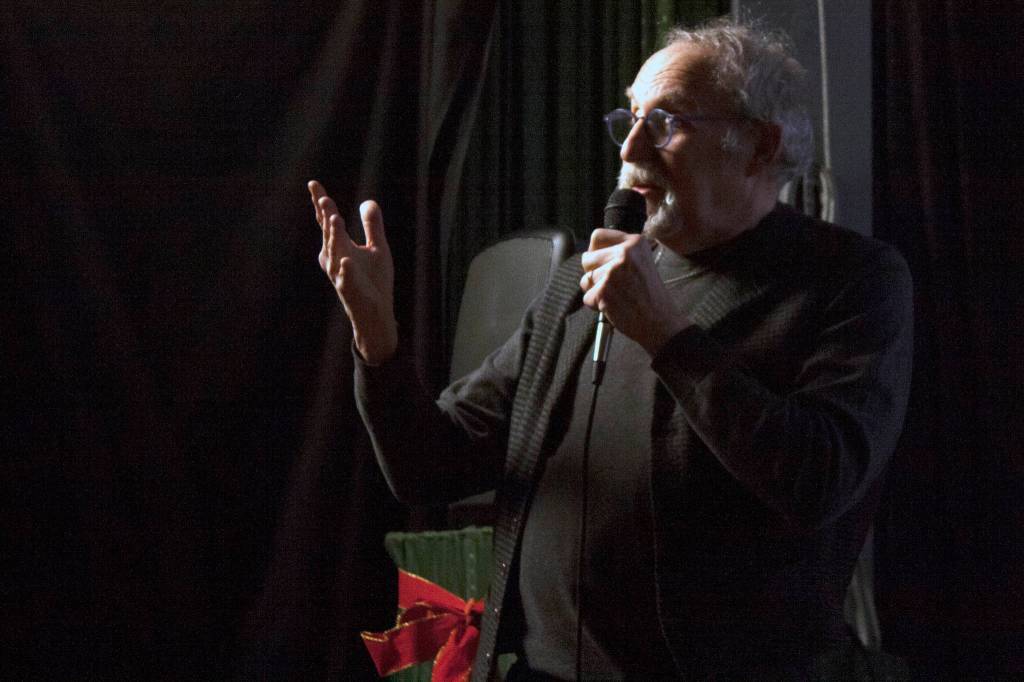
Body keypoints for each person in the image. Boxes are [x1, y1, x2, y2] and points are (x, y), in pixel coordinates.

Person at [309, 19, 912, 681]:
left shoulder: (848, 281)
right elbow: (429, 467)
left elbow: (819, 479)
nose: (630, 148)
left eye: (667, 122)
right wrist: (378, 341)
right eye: (628, 118)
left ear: (759, 146)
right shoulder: (576, 285)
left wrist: (669, 337)